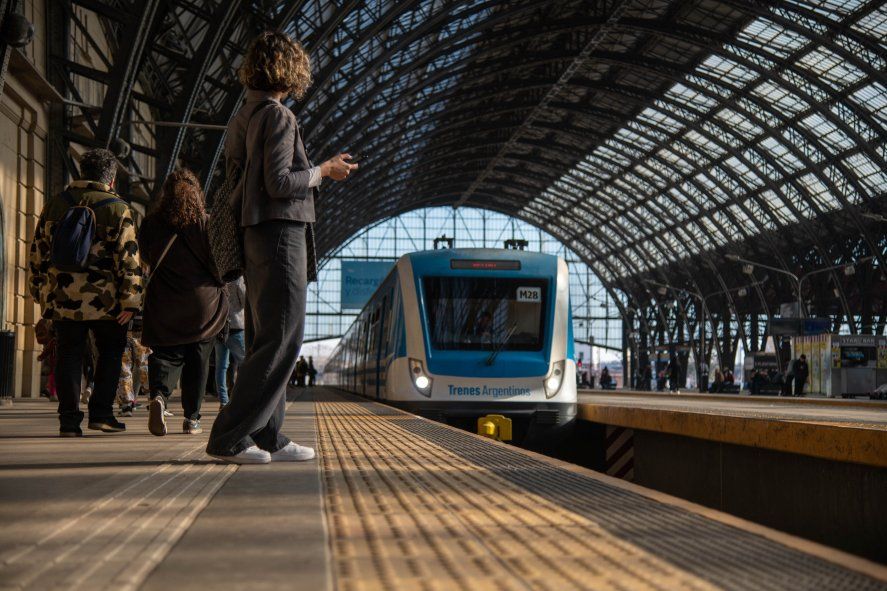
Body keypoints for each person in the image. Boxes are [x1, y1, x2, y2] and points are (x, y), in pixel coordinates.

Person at [206, 31, 356, 464]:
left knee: (264, 338)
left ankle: (270, 435)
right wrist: (323, 170)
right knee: (282, 341)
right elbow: (280, 183)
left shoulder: (245, 114)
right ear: (290, 71)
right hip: (278, 234)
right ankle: (228, 437)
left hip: (254, 234)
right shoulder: (278, 117)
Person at [27, 148, 143, 437]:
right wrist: (131, 300)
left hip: (63, 299)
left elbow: (37, 254)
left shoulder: (56, 205)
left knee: (68, 356)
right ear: (111, 178)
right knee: (111, 353)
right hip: (107, 302)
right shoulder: (118, 208)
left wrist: (42, 294)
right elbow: (129, 259)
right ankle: (101, 415)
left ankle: (69, 422)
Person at [140, 170, 228, 436]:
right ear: (197, 195)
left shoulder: (151, 224)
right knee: (198, 362)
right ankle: (192, 419)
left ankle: (159, 397)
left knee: (166, 355)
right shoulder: (208, 224)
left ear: (165, 195)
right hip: (203, 306)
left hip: (164, 303)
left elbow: (146, 256)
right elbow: (219, 265)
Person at [214, 277, 246, 408]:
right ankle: (243, 398)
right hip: (235, 327)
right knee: (245, 364)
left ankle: (223, 401)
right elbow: (245, 302)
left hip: (218, 327)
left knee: (221, 367)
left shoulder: (217, 278)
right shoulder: (238, 280)